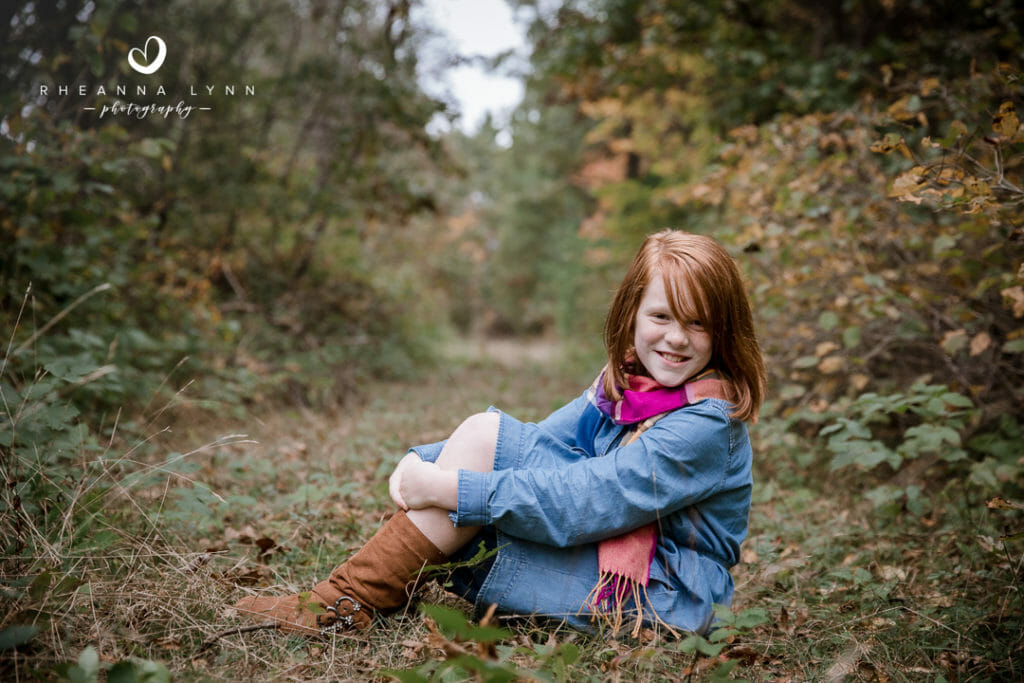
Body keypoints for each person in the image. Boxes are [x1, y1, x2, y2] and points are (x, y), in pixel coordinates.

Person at [233, 229, 766, 638]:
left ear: (723, 331)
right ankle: (347, 602)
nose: (676, 338)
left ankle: (344, 605)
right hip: (609, 556)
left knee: (477, 476)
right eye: (662, 316)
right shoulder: (626, 384)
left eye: (697, 323)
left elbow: (589, 499)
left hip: (667, 595)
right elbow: (538, 444)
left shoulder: (707, 424)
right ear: (632, 315)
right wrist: (425, 461)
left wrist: (447, 487)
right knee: (485, 438)